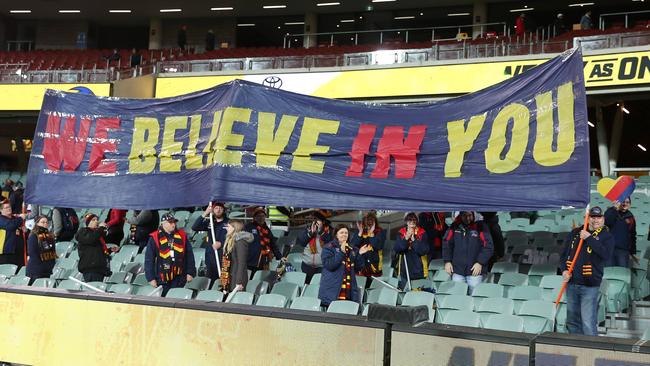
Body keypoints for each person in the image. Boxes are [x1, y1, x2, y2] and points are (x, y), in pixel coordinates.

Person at [561, 206, 614, 336]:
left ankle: (591, 353)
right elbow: (563, 255)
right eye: (593, 217)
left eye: (598, 217)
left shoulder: (607, 236)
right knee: (572, 322)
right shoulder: (575, 233)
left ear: (603, 219)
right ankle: (576, 351)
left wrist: (589, 238)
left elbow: (605, 255)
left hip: (590, 286)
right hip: (572, 283)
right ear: (587, 218)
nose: (595, 220)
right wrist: (563, 270)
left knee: (588, 323)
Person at [318, 225, 370, 307]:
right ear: (336, 235)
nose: (344, 234)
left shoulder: (352, 248)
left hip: (348, 290)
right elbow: (330, 265)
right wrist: (341, 252)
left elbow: (358, 268)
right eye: (341, 232)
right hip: (333, 290)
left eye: (346, 233)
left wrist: (360, 254)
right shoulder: (328, 247)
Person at [144, 213, 196, 296]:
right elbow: (149, 259)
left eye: (174, 222)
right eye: (170, 222)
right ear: (163, 223)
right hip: (162, 277)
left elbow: (189, 255)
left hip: (179, 277)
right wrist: (151, 278)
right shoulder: (155, 237)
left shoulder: (182, 236)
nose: (173, 224)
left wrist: (190, 272)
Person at [442, 211, 494, 294]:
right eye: (464, 216)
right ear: (460, 215)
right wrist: (447, 261)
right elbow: (447, 243)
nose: (467, 218)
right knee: (457, 297)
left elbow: (488, 247)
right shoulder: (454, 226)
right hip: (458, 270)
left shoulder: (481, 227)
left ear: (473, 214)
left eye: (469, 215)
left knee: (474, 297)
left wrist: (480, 262)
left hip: (475, 271)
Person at [193, 202, 229, 286]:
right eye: (216, 208)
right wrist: (205, 213)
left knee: (223, 283)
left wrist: (222, 243)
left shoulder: (228, 222)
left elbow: (233, 238)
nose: (218, 210)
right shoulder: (210, 222)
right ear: (212, 210)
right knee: (210, 283)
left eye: (220, 208)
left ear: (223, 210)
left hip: (223, 257)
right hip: (210, 258)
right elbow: (195, 227)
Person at [76, 213, 117, 282]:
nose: (96, 221)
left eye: (97, 220)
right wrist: (101, 228)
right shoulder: (83, 232)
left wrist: (109, 250)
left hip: (99, 269)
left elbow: (96, 250)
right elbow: (91, 239)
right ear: (88, 223)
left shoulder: (96, 234)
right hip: (91, 269)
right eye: (93, 220)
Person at [394, 212, 429, 290]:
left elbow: (423, 250)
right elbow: (398, 249)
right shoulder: (401, 232)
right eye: (409, 219)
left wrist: (414, 240)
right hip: (404, 270)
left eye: (414, 219)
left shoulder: (422, 233)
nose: (412, 221)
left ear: (417, 221)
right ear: (406, 221)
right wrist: (406, 238)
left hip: (419, 271)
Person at [296, 211, 332, 283]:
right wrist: (310, 234)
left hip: (322, 266)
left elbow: (331, 244)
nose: (315, 222)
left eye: (318, 220)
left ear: (323, 221)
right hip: (307, 265)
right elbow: (302, 242)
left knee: (319, 287)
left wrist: (321, 232)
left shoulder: (329, 231)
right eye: (314, 219)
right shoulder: (307, 229)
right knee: (307, 287)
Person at [219, 220, 253, 293]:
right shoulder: (230, 241)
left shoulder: (240, 242)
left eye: (228, 226)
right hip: (230, 276)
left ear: (234, 228)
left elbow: (242, 263)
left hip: (237, 278)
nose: (227, 228)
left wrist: (239, 281)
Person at [245, 207, 282, 274]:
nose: (261, 218)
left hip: (264, 259)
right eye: (258, 216)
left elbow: (273, 244)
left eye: (262, 216)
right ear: (254, 217)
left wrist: (279, 257)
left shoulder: (267, 229)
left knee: (262, 278)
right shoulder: (249, 227)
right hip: (251, 260)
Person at [604, 198, 637, 267]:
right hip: (609, 249)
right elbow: (607, 221)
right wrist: (614, 208)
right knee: (609, 274)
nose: (625, 204)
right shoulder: (611, 212)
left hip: (623, 251)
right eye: (623, 202)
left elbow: (632, 235)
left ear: (630, 204)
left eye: (627, 202)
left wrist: (632, 252)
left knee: (622, 273)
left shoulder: (631, 218)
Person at [351, 211, 385, 278]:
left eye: (371, 222)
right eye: (367, 222)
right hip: (360, 265)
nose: (369, 225)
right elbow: (353, 246)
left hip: (374, 265)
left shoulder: (379, 231)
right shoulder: (360, 231)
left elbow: (379, 246)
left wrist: (372, 235)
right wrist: (359, 234)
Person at [26, 215, 57, 283]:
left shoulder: (50, 236)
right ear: (37, 223)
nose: (45, 224)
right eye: (42, 222)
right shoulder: (33, 236)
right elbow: (32, 253)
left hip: (47, 270)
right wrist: (42, 265)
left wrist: (50, 265)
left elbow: (52, 253)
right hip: (36, 270)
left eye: (46, 222)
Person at [0, 199, 25, 267]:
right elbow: (10, 226)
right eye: (6, 207)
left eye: (9, 207)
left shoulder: (15, 219)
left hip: (18, 252)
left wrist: (25, 230)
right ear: (1, 210)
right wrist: (21, 218)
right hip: (6, 253)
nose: (9, 209)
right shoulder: (1, 219)